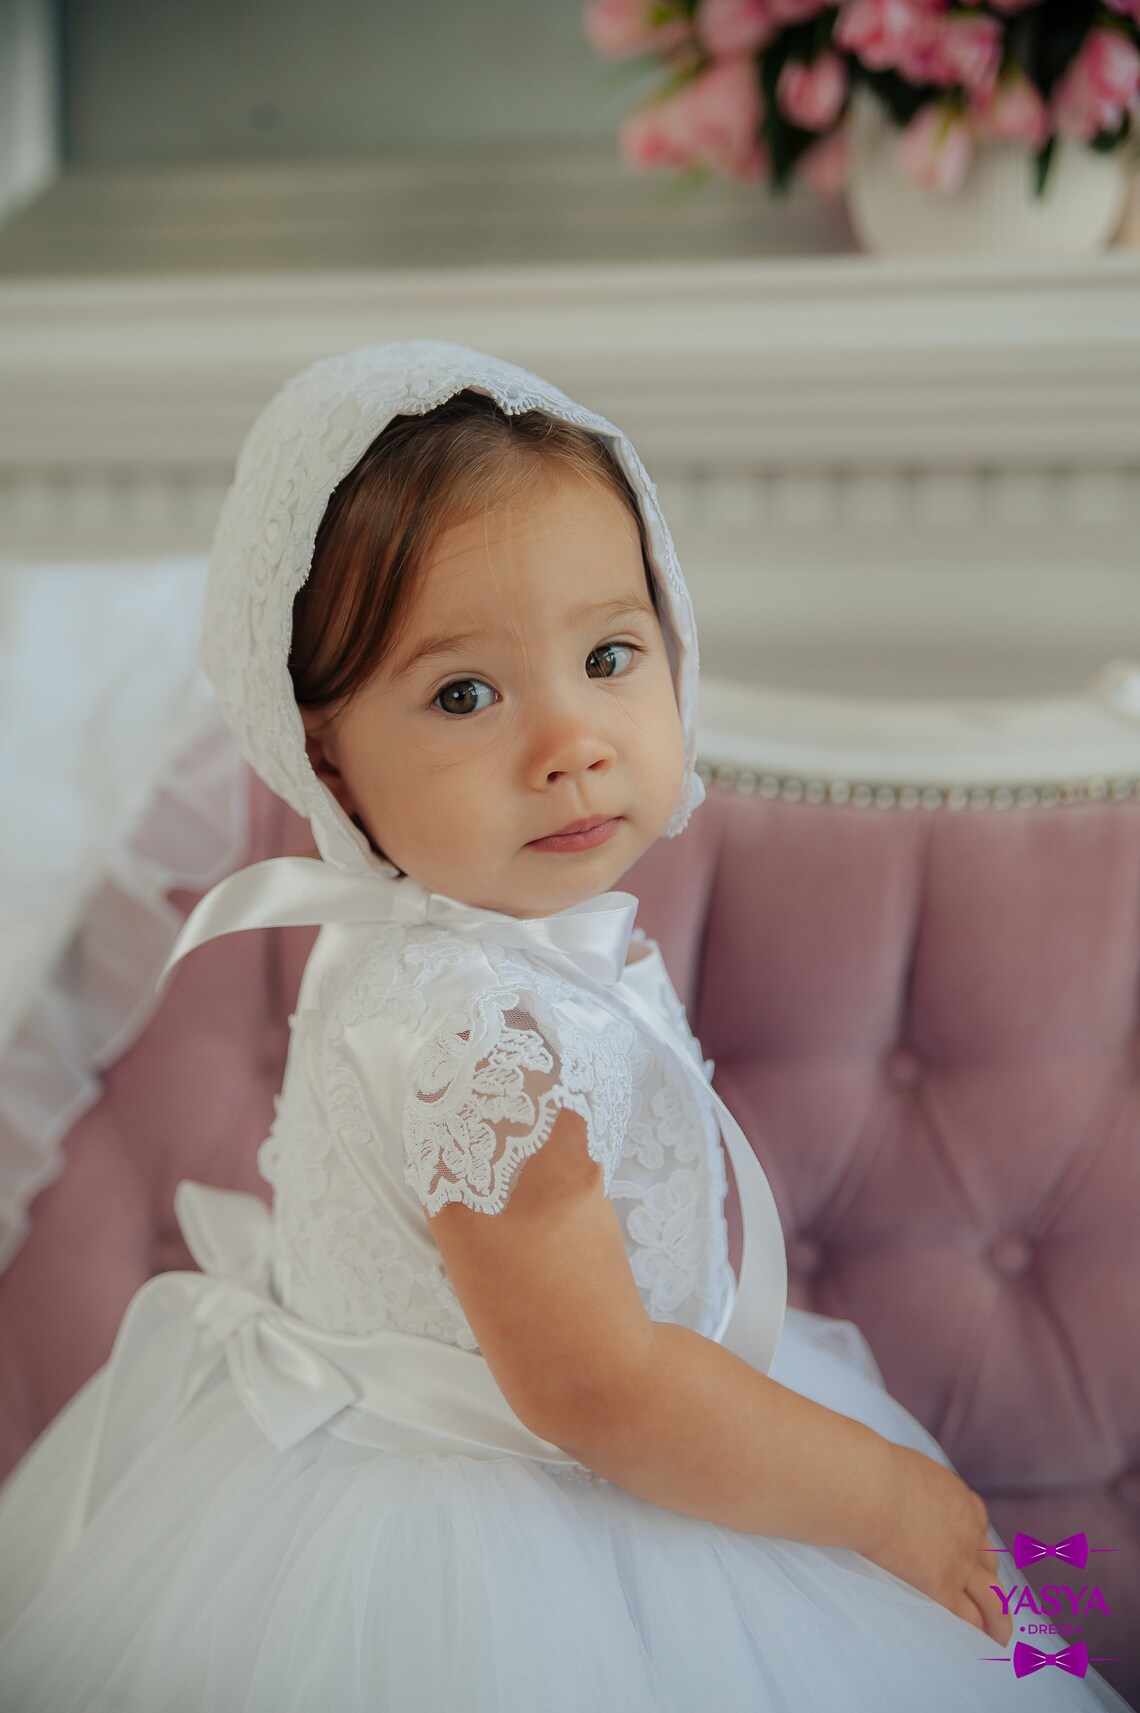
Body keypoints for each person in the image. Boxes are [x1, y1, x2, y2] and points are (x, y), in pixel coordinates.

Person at [0, 341, 1129, 1712]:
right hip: (511, 1533)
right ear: (327, 753)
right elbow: (598, 1385)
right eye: (465, 693)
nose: (572, 741)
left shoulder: (480, 944)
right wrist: (884, 1497)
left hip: (595, 1444)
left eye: (608, 654)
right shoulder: (473, 1025)